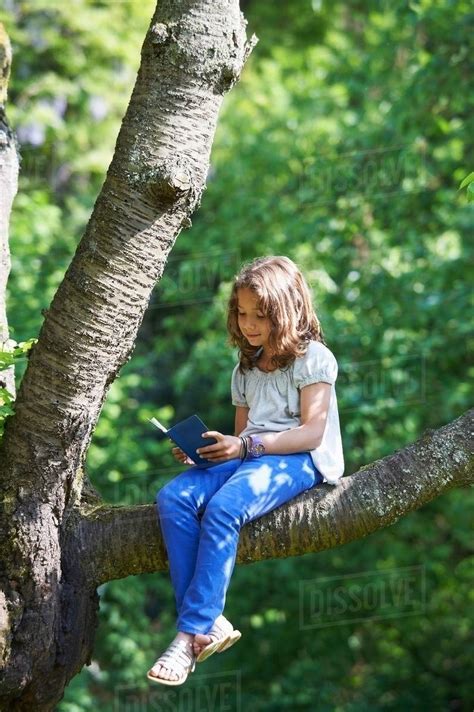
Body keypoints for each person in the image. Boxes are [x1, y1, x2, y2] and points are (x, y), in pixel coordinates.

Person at [147, 255, 345, 686]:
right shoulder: (246, 367)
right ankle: (211, 621)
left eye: (261, 314)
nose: (249, 323)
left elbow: (312, 433)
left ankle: (188, 635)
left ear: (286, 310)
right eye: (242, 312)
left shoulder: (314, 359)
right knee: (174, 497)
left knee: (223, 508)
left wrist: (246, 446)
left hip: (298, 462)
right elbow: (242, 438)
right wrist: (209, 454)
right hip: (253, 456)